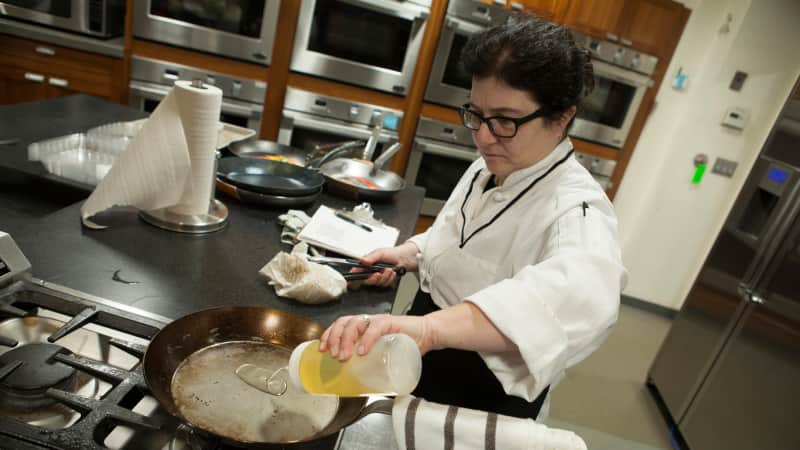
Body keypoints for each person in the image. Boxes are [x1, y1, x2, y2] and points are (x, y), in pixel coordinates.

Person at [318, 12, 627, 421]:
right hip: (420, 355)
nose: (482, 135)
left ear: (563, 115)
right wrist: (411, 253)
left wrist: (430, 330)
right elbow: (459, 237)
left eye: (504, 119)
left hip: (481, 393)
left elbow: (576, 298)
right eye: (476, 114)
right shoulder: (493, 163)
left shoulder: (577, 209)